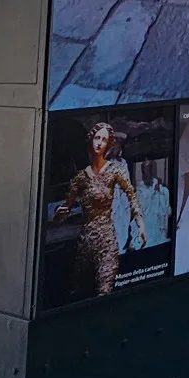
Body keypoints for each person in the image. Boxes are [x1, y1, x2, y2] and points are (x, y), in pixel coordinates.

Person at [55, 121, 145, 297]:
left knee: (108, 278)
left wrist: (139, 222)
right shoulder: (88, 173)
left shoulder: (121, 166)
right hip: (94, 230)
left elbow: (130, 195)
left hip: (115, 224)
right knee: (84, 276)